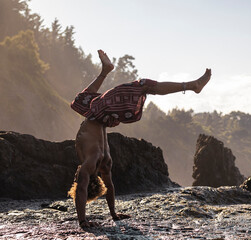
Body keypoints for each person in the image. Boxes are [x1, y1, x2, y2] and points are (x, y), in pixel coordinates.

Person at [69, 49, 212, 228]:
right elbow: (87, 188)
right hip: (102, 115)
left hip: (101, 115)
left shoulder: (103, 162)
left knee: (81, 100)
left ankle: (106, 70)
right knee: (143, 85)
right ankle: (192, 85)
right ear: (91, 180)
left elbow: (108, 188)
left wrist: (109, 215)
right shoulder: (93, 162)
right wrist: (86, 220)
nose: (78, 175)